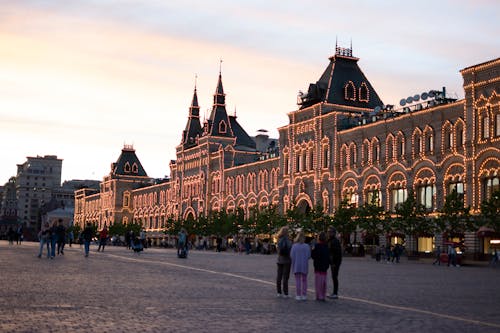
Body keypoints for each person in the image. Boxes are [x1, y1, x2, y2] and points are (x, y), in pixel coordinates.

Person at [290, 230, 311, 301]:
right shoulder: (307, 246)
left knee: (297, 280)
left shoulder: (294, 246)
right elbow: (308, 256)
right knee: (304, 280)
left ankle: (298, 295)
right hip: (304, 265)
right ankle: (304, 295)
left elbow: (291, 256)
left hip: (296, 265)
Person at [311, 231, 330, 302]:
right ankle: (323, 295)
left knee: (318, 282)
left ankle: (318, 295)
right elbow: (328, 257)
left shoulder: (316, 246)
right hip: (324, 267)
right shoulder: (326, 246)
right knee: (324, 282)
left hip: (317, 266)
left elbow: (313, 256)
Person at [275, 226, 292, 298]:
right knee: (285, 277)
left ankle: (279, 292)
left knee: (279, 277)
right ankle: (286, 293)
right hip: (287, 260)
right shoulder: (288, 240)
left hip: (280, 260)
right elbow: (290, 248)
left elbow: (278, 249)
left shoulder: (278, 239)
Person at [327, 227, 342, 299]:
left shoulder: (335, 241)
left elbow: (336, 254)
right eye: (328, 231)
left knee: (334, 277)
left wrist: (334, 263)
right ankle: (334, 292)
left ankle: (335, 293)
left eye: (330, 232)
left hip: (335, 263)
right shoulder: (330, 240)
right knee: (334, 277)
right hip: (332, 262)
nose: (328, 233)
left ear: (333, 233)